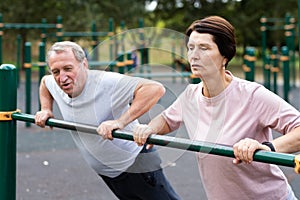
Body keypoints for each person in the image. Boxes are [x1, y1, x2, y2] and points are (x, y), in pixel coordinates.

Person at [132, 16, 300, 200]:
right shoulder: (190, 95)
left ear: (224, 56)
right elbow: (166, 119)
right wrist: (149, 129)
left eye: (204, 48)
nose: (194, 55)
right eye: (190, 48)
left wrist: (267, 148)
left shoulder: (252, 95)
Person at [34, 41, 181, 200]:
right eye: (56, 71)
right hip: (110, 172)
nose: (62, 77)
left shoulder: (105, 82)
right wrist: (46, 109)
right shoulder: (55, 83)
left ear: (84, 64)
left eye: (68, 69)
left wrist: (120, 122)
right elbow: (44, 82)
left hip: (136, 164)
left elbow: (155, 89)